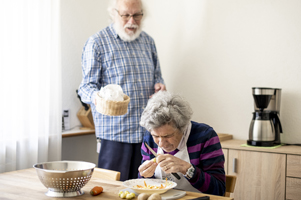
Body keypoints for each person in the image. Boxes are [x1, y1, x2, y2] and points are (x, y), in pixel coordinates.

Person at [78, 0, 166, 181]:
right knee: (112, 192)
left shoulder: (148, 42)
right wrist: (97, 97)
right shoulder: (97, 43)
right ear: (114, 14)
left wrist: (160, 86)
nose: (131, 21)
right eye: (126, 15)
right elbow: (85, 87)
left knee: (144, 189)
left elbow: (158, 77)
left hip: (147, 134)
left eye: (137, 15)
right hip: (115, 136)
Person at [138, 91, 226, 196]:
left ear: (182, 127)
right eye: (156, 136)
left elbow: (219, 189)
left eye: (167, 136)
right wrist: (145, 175)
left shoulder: (205, 136)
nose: (161, 143)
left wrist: (187, 169)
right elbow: (145, 184)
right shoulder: (148, 138)